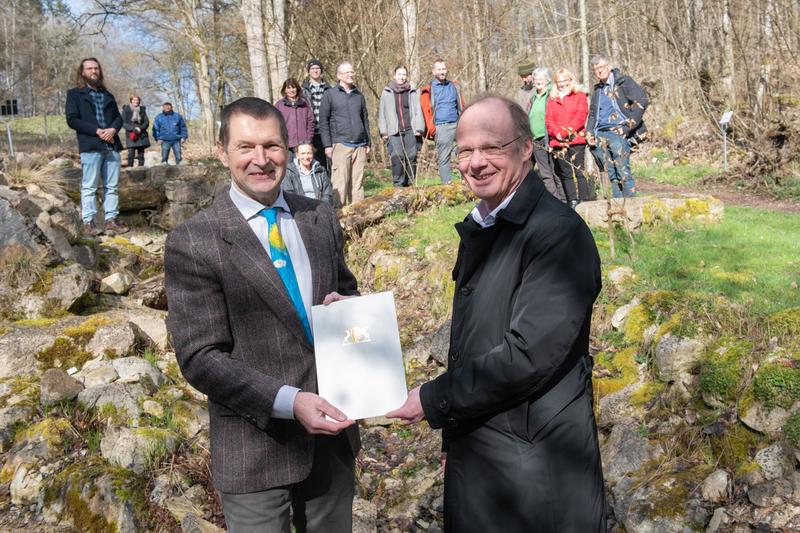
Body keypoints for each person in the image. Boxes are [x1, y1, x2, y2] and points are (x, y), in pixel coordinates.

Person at [388, 95, 605, 532]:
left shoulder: (558, 235)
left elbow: (528, 355)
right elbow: (473, 344)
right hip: (485, 450)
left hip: (535, 466)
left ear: (526, 148)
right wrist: (454, 436)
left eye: (492, 148)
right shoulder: (485, 226)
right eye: (465, 150)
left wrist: (434, 400)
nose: (476, 162)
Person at [164, 97, 360, 532]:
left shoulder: (318, 216)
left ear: (289, 149)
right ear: (222, 152)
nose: (261, 159)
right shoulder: (194, 241)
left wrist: (348, 312)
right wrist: (290, 402)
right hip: (254, 445)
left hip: (332, 434)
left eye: (272, 146)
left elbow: (346, 292)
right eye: (246, 147)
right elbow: (200, 357)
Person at [65, 57, 129, 236]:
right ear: (82, 72)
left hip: (112, 146)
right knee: (89, 186)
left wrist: (112, 130)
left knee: (112, 187)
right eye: (89, 68)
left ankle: (111, 221)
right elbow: (72, 119)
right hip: (91, 145)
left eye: (96, 68)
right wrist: (97, 131)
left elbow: (118, 117)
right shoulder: (74, 94)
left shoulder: (107, 95)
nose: (94, 71)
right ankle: (89, 223)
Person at [586, 53, 649, 198]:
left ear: (609, 67)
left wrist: (627, 127)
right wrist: (589, 132)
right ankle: (617, 208)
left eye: (602, 67)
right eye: (596, 69)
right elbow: (593, 115)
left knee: (623, 172)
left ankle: (632, 209)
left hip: (618, 132)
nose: (600, 71)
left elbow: (642, 101)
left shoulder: (623, 82)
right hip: (600, 135)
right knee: (611, 174)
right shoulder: (598, 90)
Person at [318, 62, 371, 207]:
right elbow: (323, 121)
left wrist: (368, 142)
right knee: (340, 183)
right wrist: (327, 145)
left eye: (352, 72)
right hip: (340, 143)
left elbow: (365, 119)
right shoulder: (330, 94)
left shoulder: (358, 95)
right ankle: (339, 217)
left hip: (360, 144)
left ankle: (359, 218)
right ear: (339, 76)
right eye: (347, 72)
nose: (350, 75)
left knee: (357, 184)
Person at [546, 68, 591, 209]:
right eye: (559, 81)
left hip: (575, 139)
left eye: (565, 80)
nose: (562, 84)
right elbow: (549, 120)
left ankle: (585, 200)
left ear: (571, 80)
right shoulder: (552, 98)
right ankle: (572, 200)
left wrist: (566, 132)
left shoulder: (579, 96)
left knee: (579, 170)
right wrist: (557, 133)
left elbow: (580, 116)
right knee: (565, 173)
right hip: (558, 142)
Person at [378, 65, 424, 187]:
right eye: (399, 74)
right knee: (397, 157)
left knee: (411, 156)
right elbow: (382, 113)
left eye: (404, 74)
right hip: (394, 131)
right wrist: (383, 131)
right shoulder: (387, 92)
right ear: (394, 76)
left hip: (410, 129)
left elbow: (418, 110)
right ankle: (398, 184)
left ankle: (411, 183)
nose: (402, 77)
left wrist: (419, 128)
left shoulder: (412, 91)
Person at [420, 59, 465, 184]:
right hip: (441, 127)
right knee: (444, 158)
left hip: (457, 125)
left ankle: (466, 182)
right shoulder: (429, 90)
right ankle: (447, 185)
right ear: (434, 72)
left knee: (464, 153)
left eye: (443, 69)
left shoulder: (454, 86)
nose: (442, 72)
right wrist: (432, 129)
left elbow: (461, 105)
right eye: (439, 69)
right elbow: (426, 111)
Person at [528, 67, 565, 202]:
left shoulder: (551, 96)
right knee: (545, 173)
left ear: (547, 81)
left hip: (550, 138)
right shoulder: (533, 99)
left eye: (541, 79)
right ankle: (556, 202)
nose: (538, 81)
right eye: (536, 79)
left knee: (555, 172)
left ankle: (562, 200)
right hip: (536, 140)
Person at [301, 60, 333, 170]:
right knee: (313, 160)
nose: (315, 71)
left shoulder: (330, 89)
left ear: (321, 71)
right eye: (312, 69)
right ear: (309, 71)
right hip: (311, 131)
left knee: (330, 161)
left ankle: (330, 185)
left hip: (328, 130)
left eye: (317, 68)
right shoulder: (303, 90)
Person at [275, 78, 315, 154]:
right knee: (289, 165)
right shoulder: (279, 105)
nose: (291, 90)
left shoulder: (305, 104)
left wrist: (308, 138)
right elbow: (275, 124)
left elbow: (311, 122)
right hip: (286, 144)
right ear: (285, 90)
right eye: (288, 88)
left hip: (303, 144)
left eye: (293, 87)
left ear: (297, 89)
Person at [121, 95, 151, 168]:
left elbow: (146, 122)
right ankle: (130, 170)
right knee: (131, 153)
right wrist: (132, 129)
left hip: (141, 134)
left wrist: (141, 128)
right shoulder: (126, 109)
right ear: (131, 100)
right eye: (134, 100)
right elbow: (122, 122)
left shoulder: (142, 110)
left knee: (141, 154)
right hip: (131, 134)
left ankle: (141, 170)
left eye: (137, 100)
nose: (136, 101)